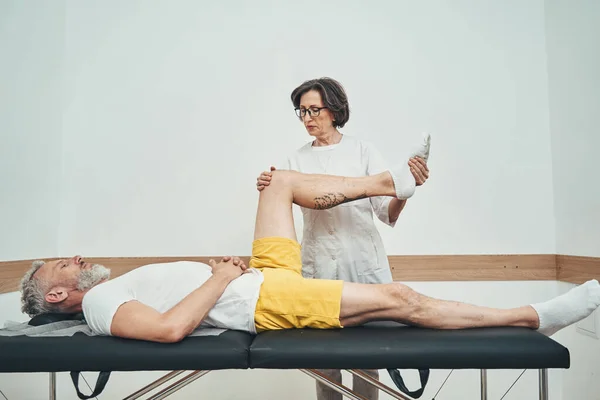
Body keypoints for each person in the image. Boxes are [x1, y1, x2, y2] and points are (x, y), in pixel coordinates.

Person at [20, 139, 600, 353]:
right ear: (62, 293)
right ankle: (532, 319)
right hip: (261, 298)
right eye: (59, 265)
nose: (71, 255)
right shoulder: (98, 307)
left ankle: (387, 184)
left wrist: (227, 273)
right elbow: (170, 331)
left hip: (258, 275)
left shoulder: (105, 287)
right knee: (399, 298)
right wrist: (219, 280)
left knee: (280, 180)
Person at [256, 77, 430, 400]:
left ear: (333, 110)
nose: (307, 118)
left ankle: (399, 180)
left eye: (313, 110)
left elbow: (387, 214)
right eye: (302, 111)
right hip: (317, 267)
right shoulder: (295, 160)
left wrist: (405, 191)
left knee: (368, 358)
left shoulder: (363, 151)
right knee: (323, 361)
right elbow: (280, 205)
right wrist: (272, 183)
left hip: (362, 264)